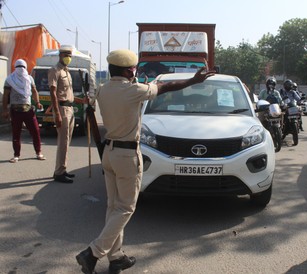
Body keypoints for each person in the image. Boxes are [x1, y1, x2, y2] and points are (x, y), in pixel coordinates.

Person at [75, 49, 215, 274]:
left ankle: (116, 257)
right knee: (126, 208)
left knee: (113, 207)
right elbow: (166, 87)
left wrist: (136, 81)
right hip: (126, 156)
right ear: (129, 70)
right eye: (133, 69)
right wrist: (193, 80)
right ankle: (93, 252)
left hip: (109, 153)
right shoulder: (135, 90)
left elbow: (126, 93)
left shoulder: (103, 89)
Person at [48, 46, 86, 183]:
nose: (68, 57)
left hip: (70, 108)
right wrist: (57, 113)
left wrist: (82, 100)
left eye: (70, 55)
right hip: (62, 109)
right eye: (66, 54)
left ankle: (62, 169)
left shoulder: (67, 72)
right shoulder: (55, 71)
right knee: (63, 142)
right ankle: (59, 173)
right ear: (60, 55)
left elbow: (68, 95)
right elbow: (53, 93)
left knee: (67, 142)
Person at [2, 59, 46, 163]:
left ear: (25, 68)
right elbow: (6, 95)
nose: (21, 69)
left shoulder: (29, 79)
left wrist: (38, 102)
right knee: (16, 133)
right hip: (15, 110)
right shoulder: (9, 79)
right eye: (19, 67)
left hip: (28, 110)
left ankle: (38, 152)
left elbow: (34, 92)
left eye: (22, 67)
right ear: (15, 68)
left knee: (35, 131)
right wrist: (5, 110)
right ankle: (16, 155)